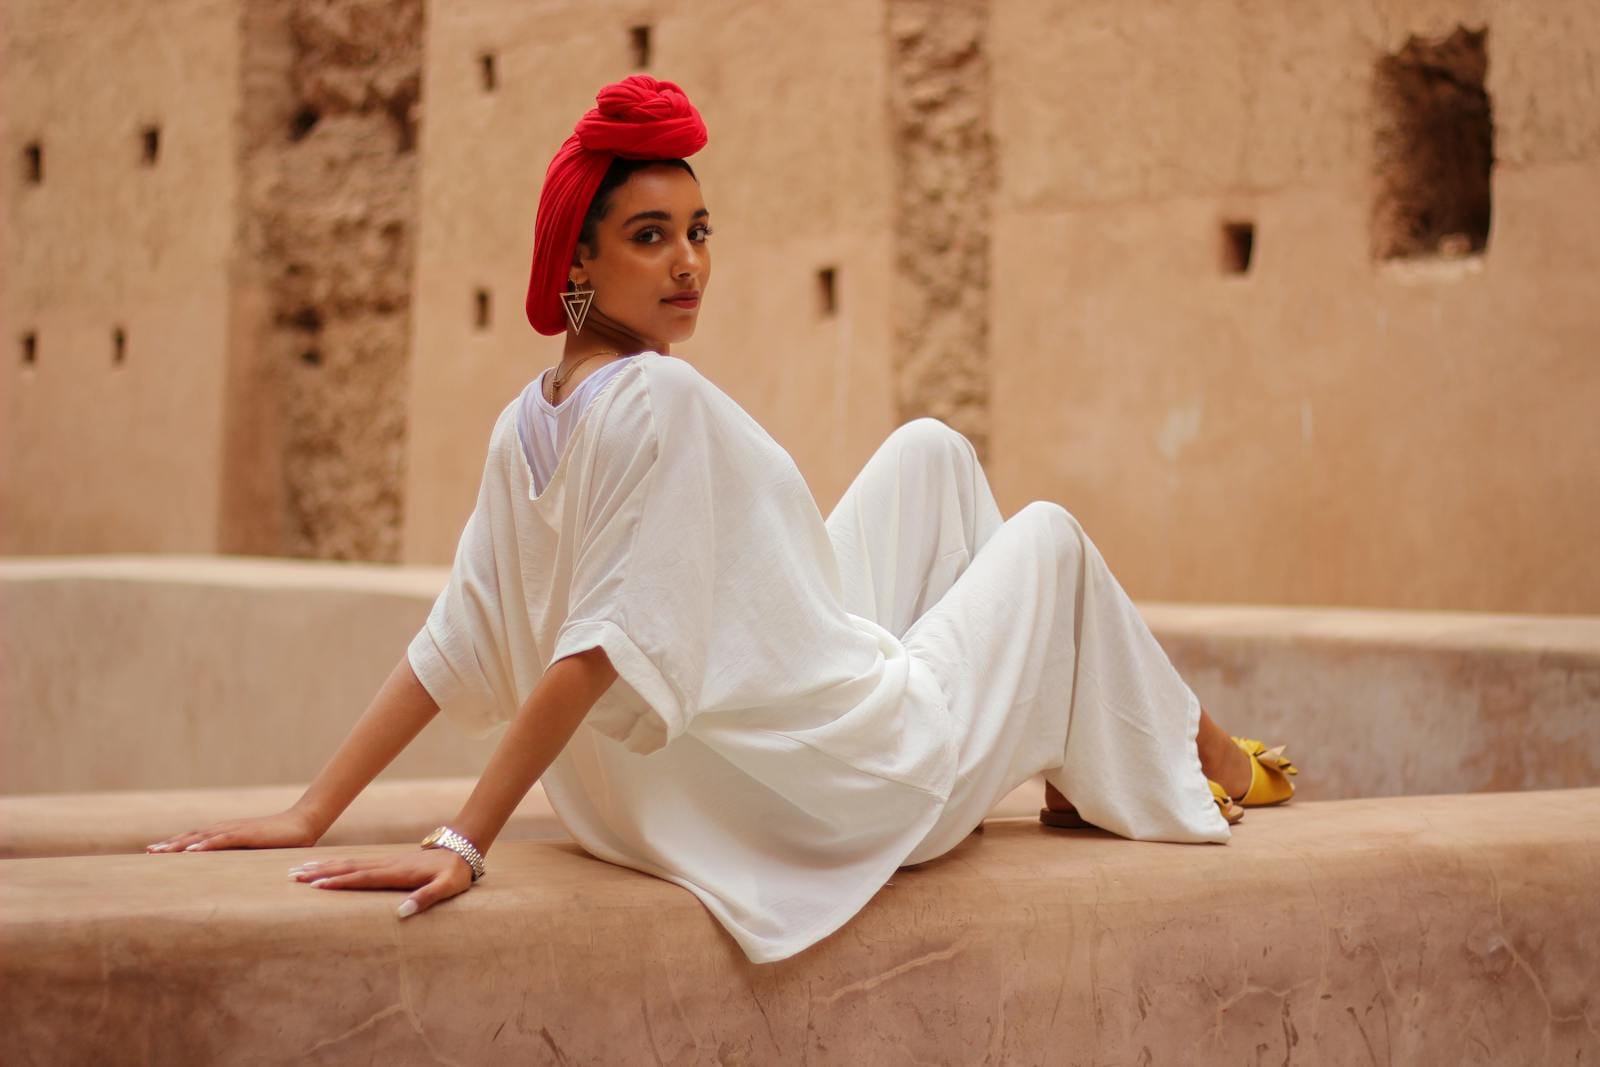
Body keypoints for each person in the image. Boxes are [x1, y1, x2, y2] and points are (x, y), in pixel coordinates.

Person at [146, 74, 1299, 964]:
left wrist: (312, 807)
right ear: (581, 261)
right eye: (651, 236)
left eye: (700, 231)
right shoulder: (655, 397)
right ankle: (1194, 750)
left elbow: (455, 637)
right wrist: (461, 837)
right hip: (828, 796)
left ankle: (1072, 743)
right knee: (1046, 536)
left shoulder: (530, 416)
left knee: (932, 452)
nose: (690, 262)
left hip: (651, 802)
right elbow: (592, 642)